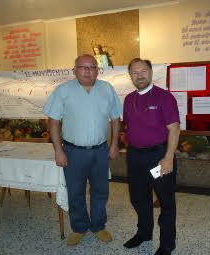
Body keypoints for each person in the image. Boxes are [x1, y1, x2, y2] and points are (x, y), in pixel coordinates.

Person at [43, 54, 122, 247]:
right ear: (75, 70)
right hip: (73, 152)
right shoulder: (63, 91)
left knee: (100, 191)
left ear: (97, 70)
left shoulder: (107, 89)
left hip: (100, 151)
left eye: (92, 67)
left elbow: (115, 119)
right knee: (75, 192)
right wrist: (58, 150)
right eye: (83, 67)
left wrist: (114, 144)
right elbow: (53, 121)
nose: (88, 71)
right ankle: (79, 228)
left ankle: (98, 225)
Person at [123, 58, 180, 255]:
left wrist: (168, 157)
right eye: (135, 72)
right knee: (138, 198)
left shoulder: (164, 97)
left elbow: (174, 129)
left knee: (165, 200)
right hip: (136, 157)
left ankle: (167, 243)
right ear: (130, 76)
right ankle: (144, 233)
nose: (139, 75)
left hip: (158, 157)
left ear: (150, 72)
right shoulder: (129, 99)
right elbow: (129, 126)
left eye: (143, 70)